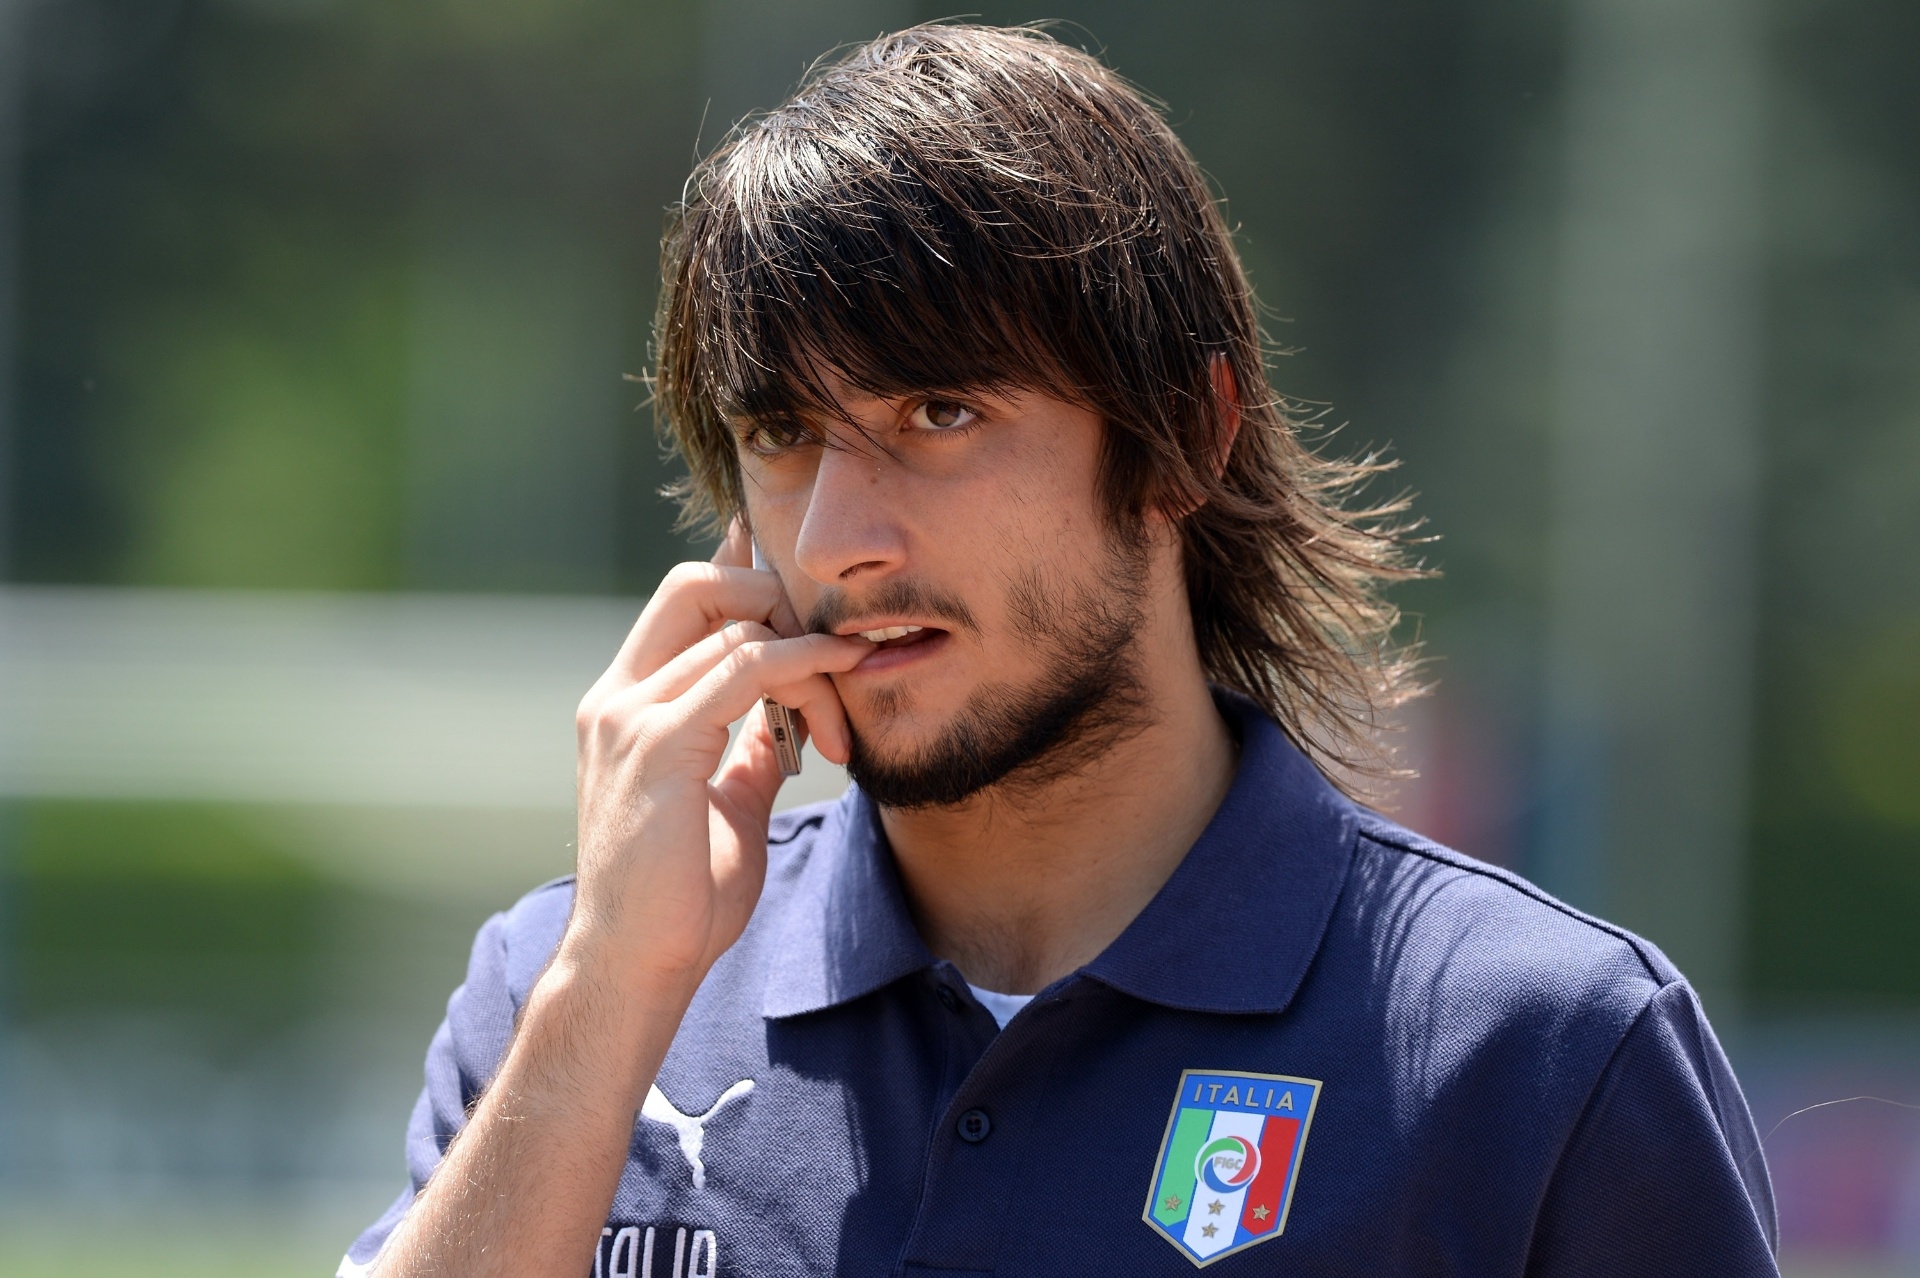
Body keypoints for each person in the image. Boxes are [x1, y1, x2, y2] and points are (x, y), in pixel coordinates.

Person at [342, 23, 1777, 1277]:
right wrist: (609, 995)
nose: (840, 538)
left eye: (937, 414)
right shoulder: (569, 986)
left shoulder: (1542, 1050)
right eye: (781, 436)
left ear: (1183, 436)